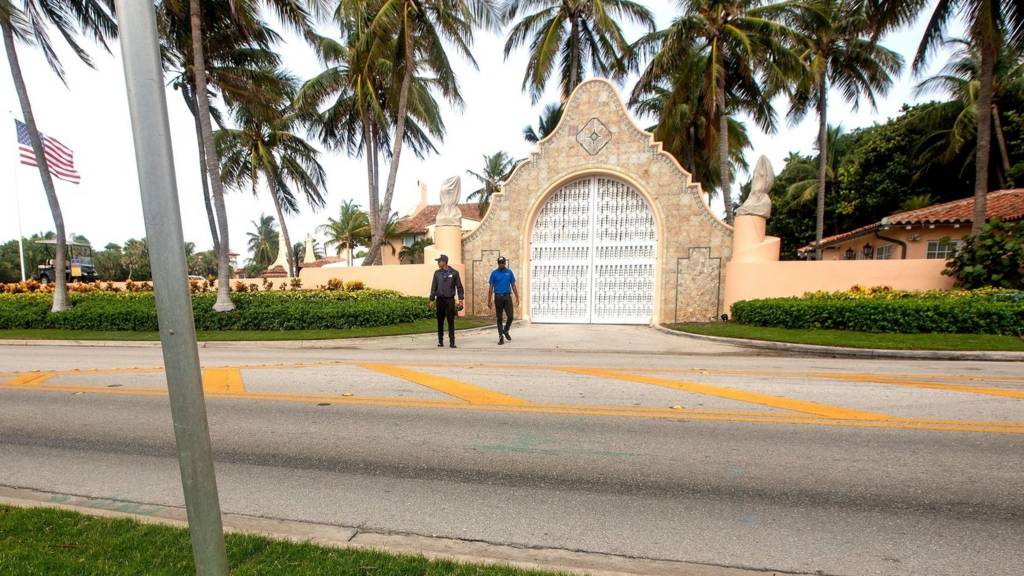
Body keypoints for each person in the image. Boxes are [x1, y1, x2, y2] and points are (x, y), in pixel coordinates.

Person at [428, 254, 464, 348]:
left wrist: (461, 299)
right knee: (440, 321)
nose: (437, 263)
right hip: (439, 300)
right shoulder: (437, 273)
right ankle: (440, 341)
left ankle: (452, 342)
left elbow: (459, 287)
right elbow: (433, 287)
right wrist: (431, 300)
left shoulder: (455, 273)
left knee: (451, 321)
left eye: (439, 261)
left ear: (444, 262)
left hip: (449, 301)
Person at [487, 256, 519, 345]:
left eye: (502, 263)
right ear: (498, 263)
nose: (501, 264)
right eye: (499, 263)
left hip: (507, 296)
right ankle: (501, 337)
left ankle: (505, 330)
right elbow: (490, 288)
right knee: (499, 318)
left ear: (505, 263)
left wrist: (517, 297)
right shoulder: (494, 273)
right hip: (498, 297)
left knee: (511, 316)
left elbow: (513, 285)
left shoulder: (509, 273)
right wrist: (489, 300)